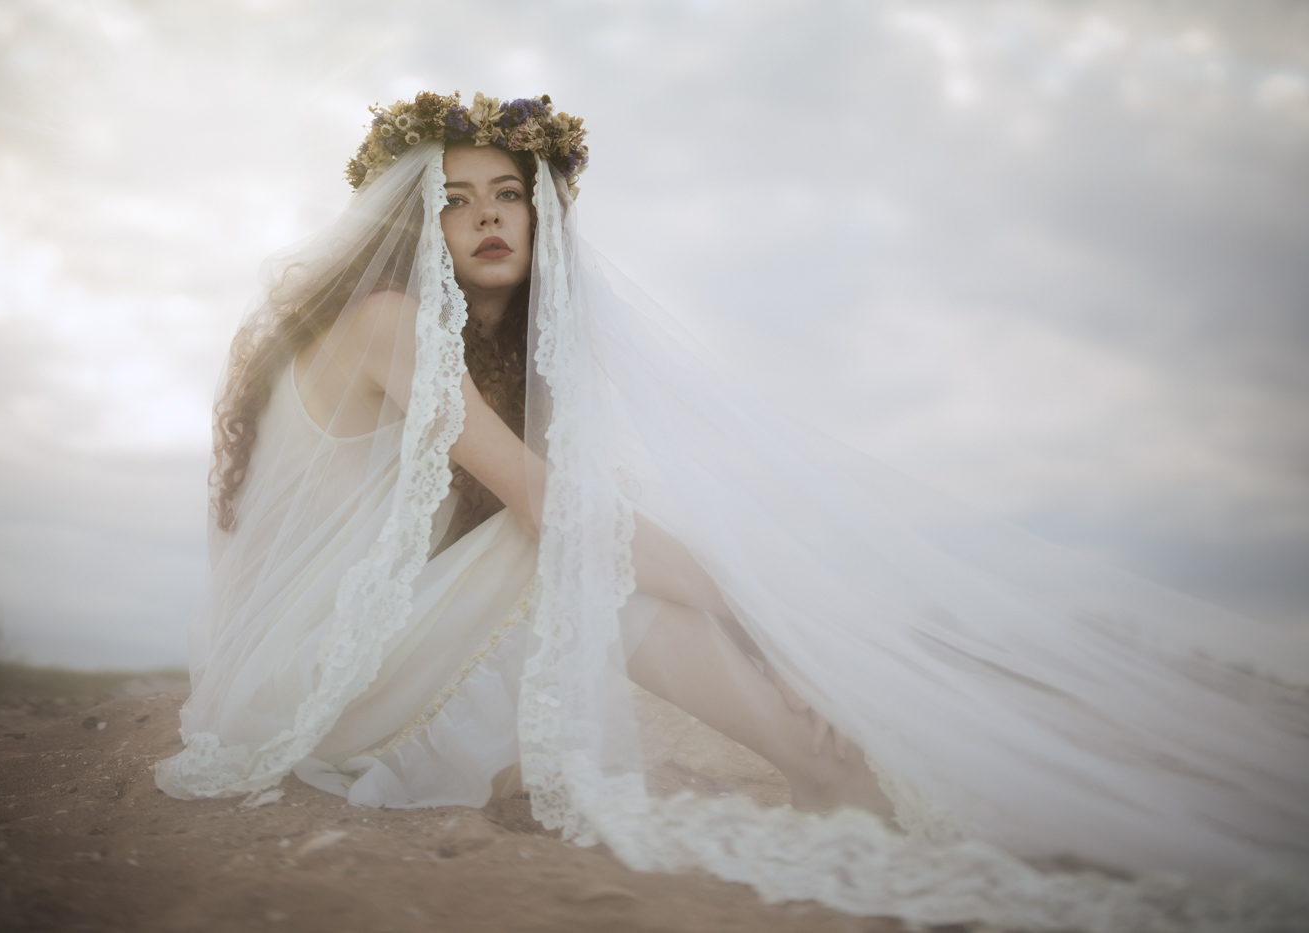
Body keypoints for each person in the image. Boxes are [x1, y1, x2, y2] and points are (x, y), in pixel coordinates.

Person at [156, 92, 1308, 932]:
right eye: (456, 203)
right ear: (416, 224)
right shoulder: (391, 322)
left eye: (511, 194)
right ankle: (820, 756)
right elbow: (547, 509)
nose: (490, 217)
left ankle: (814, 749)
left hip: (352, 667)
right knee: (557, 537)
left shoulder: (490, 357)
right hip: (309, 694)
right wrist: (764, 602)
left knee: (585, 532)